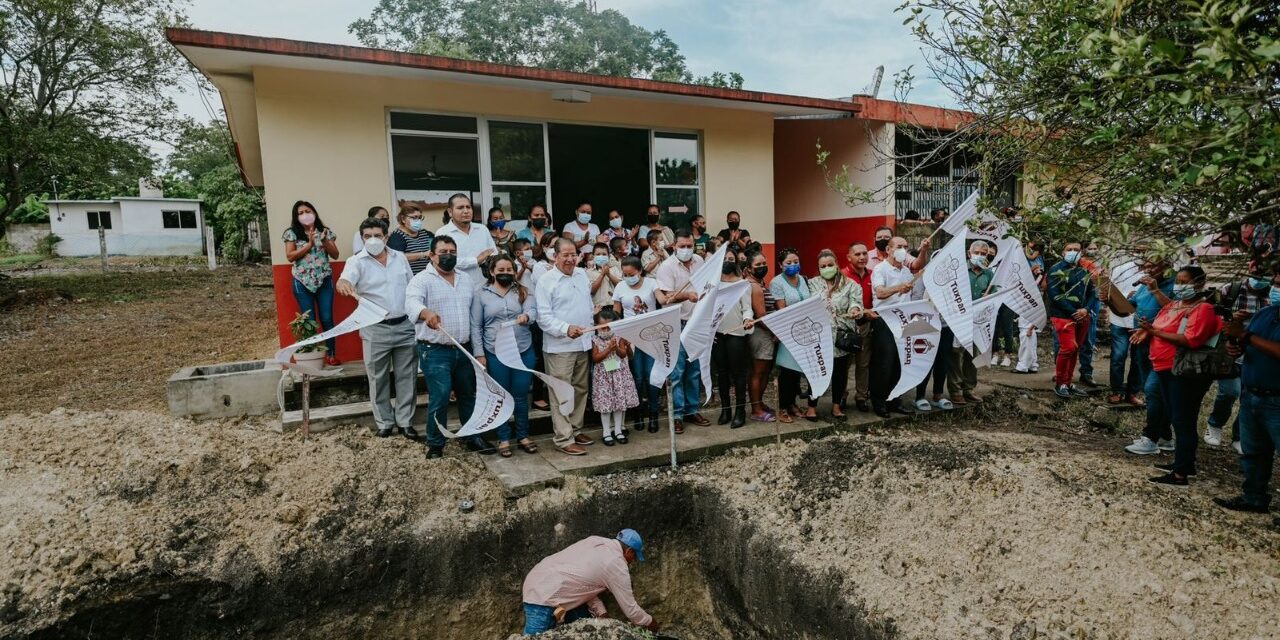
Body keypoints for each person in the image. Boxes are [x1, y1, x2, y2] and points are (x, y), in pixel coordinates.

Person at [405, 235, 492, 459]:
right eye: (443, 252)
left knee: (467, 394)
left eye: (452, 252)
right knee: (441, 395)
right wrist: (426, 313)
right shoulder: (421, 280)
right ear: (432, 255)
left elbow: (474, 318)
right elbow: (412, 303)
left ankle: (471, 435)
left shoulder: (465, 279)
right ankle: (435, 443)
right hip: (434, 350)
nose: (448, 256)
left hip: (463, 349)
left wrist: (478, 351)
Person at [1134, 266, 1222, 486]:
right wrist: (1154, 296)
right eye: (1179, 281)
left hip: (1183, 372)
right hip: (1165, 367)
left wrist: (1154, 332)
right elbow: (1169, 309)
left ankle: (1181, 473)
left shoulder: (1203, 309)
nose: (1179, 286)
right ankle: (1184, 463)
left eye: (1185, 282)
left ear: (1199, 284)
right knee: (1176, 416)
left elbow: (1190, 339)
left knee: (1183, 420)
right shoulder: (1177, 304)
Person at [336, 217, 417, 439]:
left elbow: (411, 288)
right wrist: (343, 284)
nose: (372, 240)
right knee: (378, 377)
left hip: (404, 326)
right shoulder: (356, 262)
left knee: (406, 376)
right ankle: (384, 422)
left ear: (386, 236)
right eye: (367, 236)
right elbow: (344, 281)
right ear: (362, 238)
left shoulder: (399, 258)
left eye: (377, 236)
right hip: (374, 329)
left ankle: (405, 422)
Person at [1214, 274, 1280, 518]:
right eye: (1276, 284)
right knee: (1253, 452)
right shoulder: (1265, 314)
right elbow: (1247, 345)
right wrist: (1236, 346)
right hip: (1252, 394)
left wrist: (1245, 336)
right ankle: (1253, 497)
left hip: (1277, 399)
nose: (1276, 289)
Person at [521, 529, 657, 635]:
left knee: (586, 627)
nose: (632, 561)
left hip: (539, 578)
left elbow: (582, 583)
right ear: (629, 551)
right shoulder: (616, 564)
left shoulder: (595, 541)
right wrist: (651, 623)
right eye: (634, 557)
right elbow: (631, 610)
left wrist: (602, 614)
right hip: (544, 594)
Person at [470, 254, 539, 458]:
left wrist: (527, 316)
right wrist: (479, 353)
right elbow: (476, 326)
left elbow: (533, 312)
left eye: (509, 270)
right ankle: (504, 437)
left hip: (522, 350)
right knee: (501, 395)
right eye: (501, 270)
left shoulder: (523, 291)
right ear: (492, 272)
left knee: (520, 394)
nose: (505, 273)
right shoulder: (481, 294)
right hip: (495, 352)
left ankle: (523, 435)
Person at [537, 237, 597, 455]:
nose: (571, 259)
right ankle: (563, 438)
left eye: (574, 255)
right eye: (566, 255)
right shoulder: (546, 281)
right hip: (559, 347)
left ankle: (575, 428)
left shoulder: (582, 275)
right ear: (555, 256)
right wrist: (565, 328)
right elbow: (543, 317)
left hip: (583, 343)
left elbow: (586, 305)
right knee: (562, 393)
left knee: (581, 390)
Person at [1204, 271, 1273, 448]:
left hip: (1255, 355)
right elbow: (1209, 314)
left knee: (1247, 398)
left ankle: (1239, 436)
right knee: (1229, 392)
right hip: (1230, 353)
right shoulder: (1231, 290)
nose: (1260, 280)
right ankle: (1215, 424)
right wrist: (1230, 319)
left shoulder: (1271, 296)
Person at [654, 229, 711, 433]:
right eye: (682, 246)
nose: (687, 250)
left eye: (689, 246)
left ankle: (692, 410)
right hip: (675, 324)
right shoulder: (666, 267)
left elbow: (706, 286)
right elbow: (667, 296)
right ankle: (677, 414)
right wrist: (687, 295)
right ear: (674, 247)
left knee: (694, 368)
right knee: (677, 371)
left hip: (696, 322)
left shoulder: (699, 261)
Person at [869, 236, 932, 417]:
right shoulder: (881, 269)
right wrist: (897, 288)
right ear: (888, 250)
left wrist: (923, 250)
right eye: (899, 247)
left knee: (901, 361)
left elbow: (918, 265)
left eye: (905, 247)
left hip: (904, 321)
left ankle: (894, 399)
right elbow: (879, 292)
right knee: (884, 362)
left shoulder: (905, 270)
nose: (902, 250)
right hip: (885, 320)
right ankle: (879, 401)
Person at [282, 200, 340, 366]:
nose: (305, 214)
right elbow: (290, 256)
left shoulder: (325, 231)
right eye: (300, 213)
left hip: (324, 280)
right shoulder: (291, 233)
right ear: (296, 217)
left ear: (314, 213)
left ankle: (331, 354)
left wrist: (324, 241)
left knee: (327, 318)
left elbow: (335, 255)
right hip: (302, 282)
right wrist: (309, 244)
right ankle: (313, 358)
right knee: (309, 321)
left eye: (308, 211)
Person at [808, 249, 863, 419]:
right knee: (816, 373)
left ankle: (836, 407)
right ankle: (811, 407)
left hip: (841, 337)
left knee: (840, 373)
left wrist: (855, 309)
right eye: (823, 266)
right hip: (819, 336)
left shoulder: (851, 284)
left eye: (830, 265)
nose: (827, 268)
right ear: (818, 268)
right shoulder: (812, 284)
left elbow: (856, 303)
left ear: (837, 264)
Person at [612, 255, 662, 433]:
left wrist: (672, 297)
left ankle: (654, 413)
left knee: (651, 376)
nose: (628, 277)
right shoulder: (619, 286)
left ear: (640, 271)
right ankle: (638, 413)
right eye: (624, 274)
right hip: (630, 337)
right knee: (637, 377)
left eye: (631, 274)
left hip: (651, 335)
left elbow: (661, 300)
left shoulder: (651, 283)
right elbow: (616, 312)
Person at [1047, 241, 1097, 399]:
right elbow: (1054, 295)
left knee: (1075, 349)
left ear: (1081, 252)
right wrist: (1074, 312)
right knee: (1068, 347)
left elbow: (1092, 292)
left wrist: (1086, 309)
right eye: (1069, 249)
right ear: (1063, 252)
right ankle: (1060, 383)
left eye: (1076, 250)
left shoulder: (1085, 270)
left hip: (1083, 315)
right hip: (1063, 316)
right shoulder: (1056, 270)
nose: (1073, 252)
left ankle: (1068, 383)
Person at [770, 248, 815, 422]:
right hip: (788, 330)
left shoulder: (803, 280)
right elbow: (781, 308)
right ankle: (782, 407)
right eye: (788, 263)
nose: (793, 265)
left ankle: (792, 403)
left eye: (795, 261)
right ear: (781, 265)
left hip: (805, 331)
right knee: (787, 371)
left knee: (798, 370)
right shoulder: (777, 282)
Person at [948, 240, 995, 405]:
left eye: (984, 254)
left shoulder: (989, 273)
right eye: (977, 253)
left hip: (978, 322)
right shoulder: (959, 270)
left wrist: (988, 298)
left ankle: (969, 388)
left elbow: (994, 294)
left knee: (972, 355)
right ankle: (955, 390)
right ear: (969, 254)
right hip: (959, 318)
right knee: (956, 354)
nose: (980, 256)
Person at [712, 252, 756, 428]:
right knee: (722, 373)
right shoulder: (713, 285)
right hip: (717, 334)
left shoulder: (743, 285)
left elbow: (747, 308)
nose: (727, 261)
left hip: (736, 334)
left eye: (731, 259)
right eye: (724, 258)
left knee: (738, 374)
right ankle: (725, 409)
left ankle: (740, 411)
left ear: (736, 262)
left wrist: (747, 319)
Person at [590, 307, 639, 445]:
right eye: (602, 328)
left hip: (619, 375)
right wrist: (607, 350)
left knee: (619, 404)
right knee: (606, 405)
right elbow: (596, 358)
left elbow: (624, 355)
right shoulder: (595, 340)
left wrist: (616, 348)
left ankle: (618, 430)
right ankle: (606, 432)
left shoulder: (620, 337)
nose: (605, 331)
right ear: (596, 327)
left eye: (608, 328)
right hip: (604, 377)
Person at [1102, 259, 1146, 405]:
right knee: (1118, 356)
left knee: (1138, 358)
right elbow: (1110, 291)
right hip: (1120, 319)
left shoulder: (1155, 272)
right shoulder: (1122, 268)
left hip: (1142, 323)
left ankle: (1132, 392)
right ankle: (1117, 391)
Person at [743, 250, 777, 421]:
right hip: (761, 333)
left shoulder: (760, 282)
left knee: (765, 371)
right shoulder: (754, 286)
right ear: (749, 268)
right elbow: (761, 315)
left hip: (766, 333)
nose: (763, 266)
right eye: (758, 265)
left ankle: (760, 403)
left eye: (764, 263)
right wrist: (775, 332)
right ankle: (756, 409)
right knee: (758, 372)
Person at [842, 242, 876, 411]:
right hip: (847, 327)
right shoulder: (842, 277)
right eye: (857, 254)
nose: (862, 257)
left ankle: (861, 396)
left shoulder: (873, 274)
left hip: (866, 325)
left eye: (864, 253)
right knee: (845, 364)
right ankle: (841, 397)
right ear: (849, 257)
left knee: (864, 364)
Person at [436, 193, 497, 286]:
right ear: (450, 212)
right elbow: (445, 261)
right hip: (457, 287)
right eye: (460, 208)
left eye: (468, 207)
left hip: (484, 286)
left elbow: (493, 253)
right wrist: (476, 260)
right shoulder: (443, 233)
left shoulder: (482, 229)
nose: (466, 211)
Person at [387, 202, 434, 275]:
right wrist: (423, 254)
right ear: (403, 219)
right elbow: (397, 258)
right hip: (409, 280)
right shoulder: (397, 236)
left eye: (419, 217)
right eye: (414, 217)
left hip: (428, 277)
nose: (418, 221)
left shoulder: (427, 234)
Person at [585, 242, 614, 312]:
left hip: (614, 305)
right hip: (598, 308)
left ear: (609, 256)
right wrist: (602, 274)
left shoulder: (614, 269)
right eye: (598, 254)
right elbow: (592, 290)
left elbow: (620, 285)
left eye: (604, 254)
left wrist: (609, 274)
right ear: (593, 256)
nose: (601, 256)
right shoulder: (588, 272)